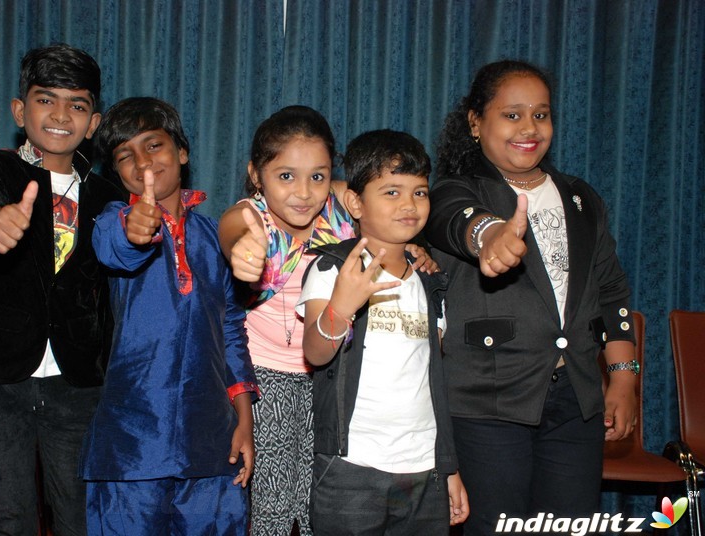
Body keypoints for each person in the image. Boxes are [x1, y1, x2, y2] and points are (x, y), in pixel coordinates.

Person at [424, 60, 638, 535]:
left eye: (540, 115)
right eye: (512, 115)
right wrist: (490, 234)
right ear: (476, 123)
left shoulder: (581, 199)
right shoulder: (452, 192)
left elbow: (611, 292)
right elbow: (458, 221)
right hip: (487, 403)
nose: (529, 128)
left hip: (576, 400)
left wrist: (623, 377)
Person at [218, 106, 436, 535]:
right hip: (266, 379)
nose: (303, 191)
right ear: (255, 175)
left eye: (317, 176)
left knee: (322, 503)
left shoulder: (337, 204)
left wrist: (412, 245)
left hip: (331, 375)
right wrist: (243, 250)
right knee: (271, 509)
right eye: (285, 176)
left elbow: (384, 197)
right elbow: (232, 230)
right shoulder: (250, 216)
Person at [0, 43, 123, 536]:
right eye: (45, 99)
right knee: (9, 516)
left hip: (76, 383)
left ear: (93, 122)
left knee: (76, 516)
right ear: (19, 109)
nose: (60, 115)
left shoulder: (108, 195)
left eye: (77, 104)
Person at [79, 97, 259, 535]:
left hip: (211, 444)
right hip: (131, 448)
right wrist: (136, 230)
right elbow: (116, 246)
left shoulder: (216, 237)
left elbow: (231, 332)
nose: (143, 162)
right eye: (125, 156)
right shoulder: (113, 220)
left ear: (182, 152)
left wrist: (245, 421)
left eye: (154, 145)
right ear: (117, 173)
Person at [297, 129, 468, 535]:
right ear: (355, 202)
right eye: (391, 192)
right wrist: (342, 306)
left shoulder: (431, 282)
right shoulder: (333, 269)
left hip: (424, 468)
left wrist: (449, 467)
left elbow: (433, 381)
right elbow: (316, 354)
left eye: (420, 192)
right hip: (351, 467)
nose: (409, 204)